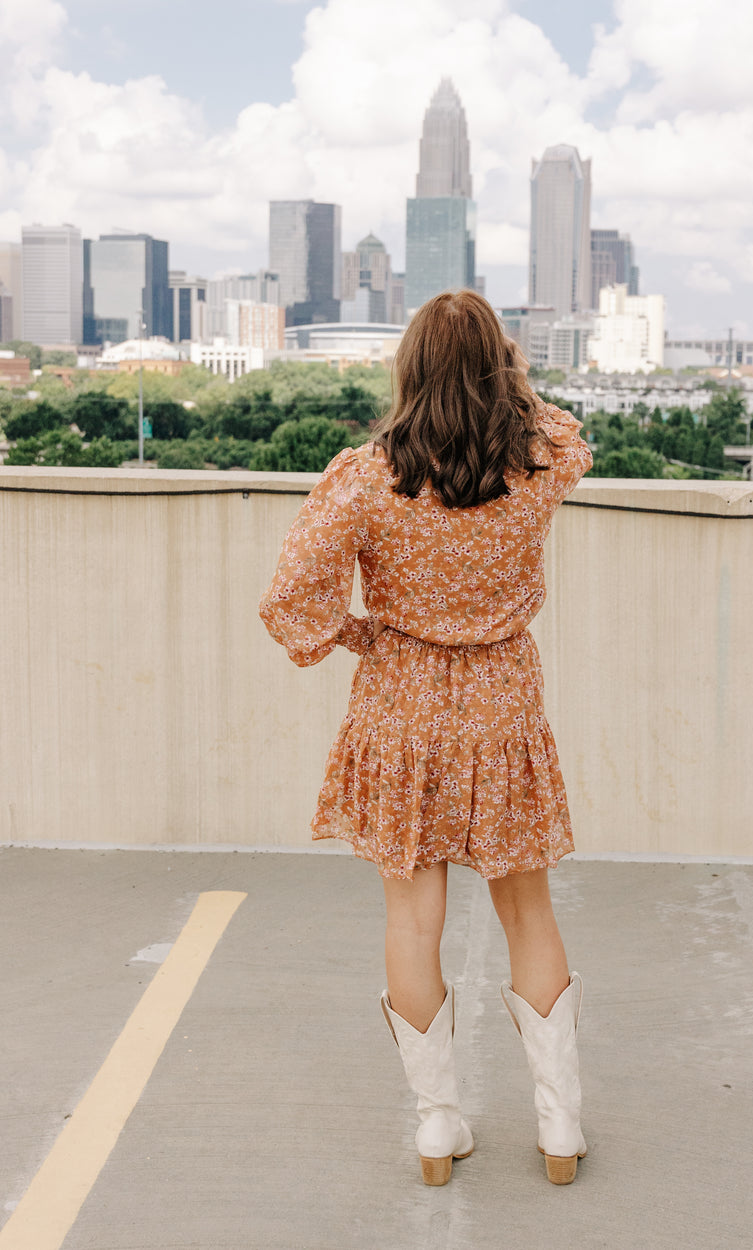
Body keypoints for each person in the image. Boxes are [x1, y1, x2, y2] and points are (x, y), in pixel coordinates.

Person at [259, 289, 593, 1187]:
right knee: (530, 914)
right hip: (502, 705)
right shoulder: (542, 459)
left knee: (413, 920)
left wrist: (369, 633)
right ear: (503, 365)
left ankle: (439, 1128)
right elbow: (562, 420)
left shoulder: (367, 476)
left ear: (407, 368)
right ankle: (559, 1132)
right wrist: (508, 383)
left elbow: (289, 599)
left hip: (400, 706)